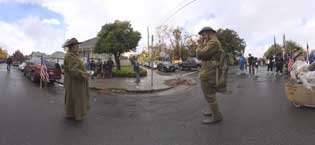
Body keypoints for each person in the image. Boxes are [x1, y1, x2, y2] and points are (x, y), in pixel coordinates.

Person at [196, 26, 224, 124]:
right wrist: (203, 44)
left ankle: (216, 116)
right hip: (208, 71)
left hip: (209, 73)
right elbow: (204, 55)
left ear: (209, 33)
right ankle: (213, 111)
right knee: (210, 94)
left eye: (203, 35)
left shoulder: (213, 42)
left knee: (209, 94)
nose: (202, 38)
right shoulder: (210, 42)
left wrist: (199, 45)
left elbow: (200, 55)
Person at [63, 38, 90, 121]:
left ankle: (71, 114)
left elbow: (76, 68)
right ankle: (76, 115)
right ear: (72, 47)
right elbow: (73, 70)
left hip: (75, 81)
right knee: (77, 98)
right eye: (76, 45)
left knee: (72, 97)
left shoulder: (74, 55)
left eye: (78, 45)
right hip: (75, 81)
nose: (78, 46)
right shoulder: (70, 55)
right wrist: (85, 75)